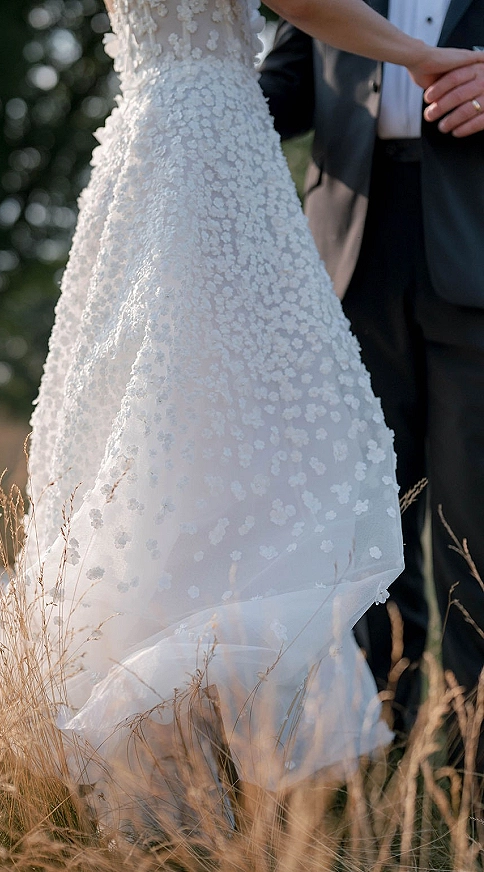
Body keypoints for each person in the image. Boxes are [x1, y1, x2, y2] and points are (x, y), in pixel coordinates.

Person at [0, 0, 477, 817]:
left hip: (187, 154)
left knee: (457, 530)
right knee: (320, 501)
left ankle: (458, 785)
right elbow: (300, 34)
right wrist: (410, 56)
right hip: (294, 211)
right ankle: (354, 772)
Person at [259, 0, 484, 755]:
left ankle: (469, 776)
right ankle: (373, 745)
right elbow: (284, 88)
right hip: (347, 264)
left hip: (478, 255)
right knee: (363, 527)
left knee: (472, 532)